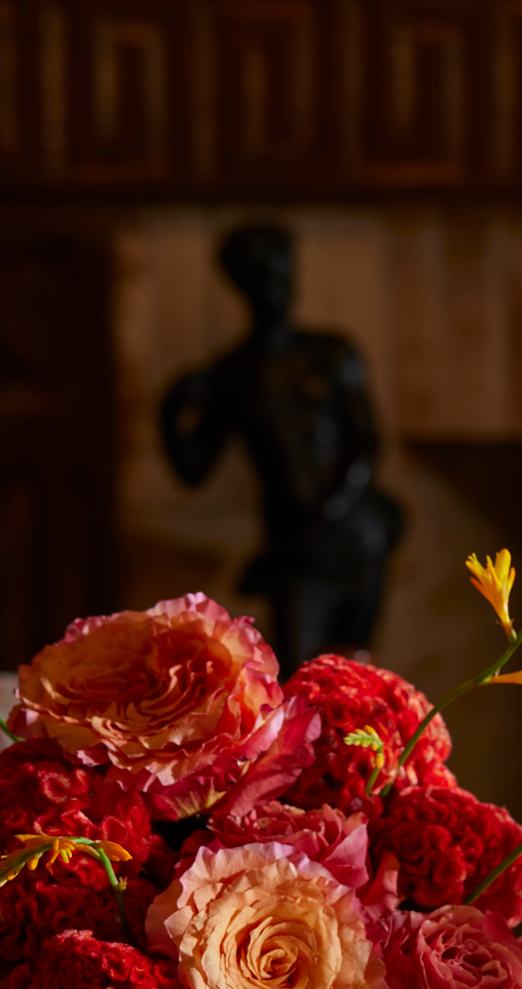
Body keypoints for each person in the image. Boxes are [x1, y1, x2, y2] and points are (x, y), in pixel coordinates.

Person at [160, 224, 403, 677]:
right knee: (299, 682)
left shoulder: (331, 354)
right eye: (264, 275)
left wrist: (321, 518)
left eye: (284, 273)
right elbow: (193, 471)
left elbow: (366, 444)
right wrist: (169, 415)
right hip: (296, 558)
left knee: (358, 674)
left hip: (355, 538)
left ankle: (367, 750)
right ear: (240, 283)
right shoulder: (232, 374)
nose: (279, 287)